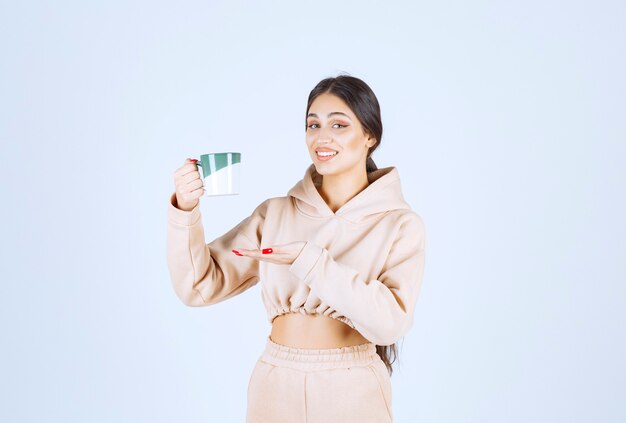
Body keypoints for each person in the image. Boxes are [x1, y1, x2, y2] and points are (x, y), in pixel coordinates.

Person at [166, 74, 426, 423]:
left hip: (353, 388)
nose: (322, 137)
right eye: (313, 124)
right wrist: (184, 210)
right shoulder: (276, 213)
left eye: (339, 124)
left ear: (370, 136)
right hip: (275, 382)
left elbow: (390, 323)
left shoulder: (399, 224)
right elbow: (199, 285)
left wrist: (311, 262)